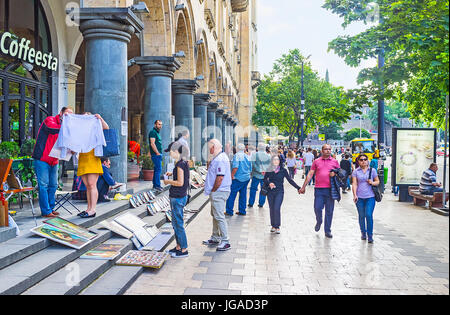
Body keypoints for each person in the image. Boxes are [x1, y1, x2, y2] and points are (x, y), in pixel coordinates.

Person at [33, 106, 74, 218]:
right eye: (66, 114)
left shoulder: (65, 128)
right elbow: (52, 128)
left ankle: (50, 208)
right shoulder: (50, 120)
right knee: (43, 185)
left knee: (54, 185)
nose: (68, 117)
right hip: (42, 159)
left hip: (54, 160)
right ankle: (46, 211)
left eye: (70, 115)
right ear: (60, 113)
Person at [300, 144, 340, 238]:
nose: (328, 151)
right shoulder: (316, 161)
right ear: (322, 150)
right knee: (317, 208)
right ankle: (319, 221)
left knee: (329, 211)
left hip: (331, 189)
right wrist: (303, 186)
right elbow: (310, 174)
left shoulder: (335, 162)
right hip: (319, 189)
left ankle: (327, 230)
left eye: (329, 149)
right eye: (326, 149)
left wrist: (335, 174)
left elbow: (340, 175)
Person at [77, 113, 109, 218]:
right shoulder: (81, 129)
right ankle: (88, 208)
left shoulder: (96, 127)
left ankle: (93, 209)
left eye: (88, 115)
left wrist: (100, 118)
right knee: (87, 186)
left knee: (92, 184)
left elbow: (106, 128)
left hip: (93, 158)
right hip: (83, 158)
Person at [203, 139, 232, 251]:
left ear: (214, 147)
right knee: (215, 214)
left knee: (219, 216)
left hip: (219, 191)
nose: (208, 149)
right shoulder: (218, 158)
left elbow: (220, 177)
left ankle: (225, 241)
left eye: (209, 147)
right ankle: (215, 237)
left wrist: (214, 190)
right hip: (217, 191)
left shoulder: (220, 159)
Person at [163, 141, 190, 258]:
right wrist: (172, 173)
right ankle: (178, 246)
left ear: (175, 151)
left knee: (178, 223)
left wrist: (167, 181)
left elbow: (180, 182)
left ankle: (183, 249)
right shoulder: (183, 163)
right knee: (175, 223)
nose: (170, 154)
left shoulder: (179, 164)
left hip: (178, 197)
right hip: (180, 196)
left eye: (170, 152)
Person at [264, 155, 302, 234]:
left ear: (280, 161)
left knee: (276, 208)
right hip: (270, 192)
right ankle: (273, 226)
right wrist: (269, 183)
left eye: (277, 160)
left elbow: (290, 180)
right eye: (274, 160)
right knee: (272, 208)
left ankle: (277, 226)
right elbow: (264, 179)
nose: (275, 161)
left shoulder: (283, 170)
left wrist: (298, 188)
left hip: (279, 192)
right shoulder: (269, 169)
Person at [352, 154, 380, 243]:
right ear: (358, 161)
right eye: (361, 160)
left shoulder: (372, 170)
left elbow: (378, 181)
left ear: (368, 160)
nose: (363, 161)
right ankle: (363, 233)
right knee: (361, 216)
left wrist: (372, 182)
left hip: (370, 197)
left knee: (368, 215)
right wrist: (355, 195)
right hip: (359, 197)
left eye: (365, 159)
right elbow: (354, 184)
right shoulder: (356, 172)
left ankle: (370, 235)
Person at [226, 143, 252, 216]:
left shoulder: (237, 156)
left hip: (238, 178)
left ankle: (229, 211)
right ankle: (242, 210)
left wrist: (231, 176)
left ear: (237, 149)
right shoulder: (247, 156)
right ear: (244, 149)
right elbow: (250, 168)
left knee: (232, 194)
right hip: (246, 178)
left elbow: (235, 167)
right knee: (243, 195)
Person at [248, 143, 271, 208]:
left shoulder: (255, 154)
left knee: (253, 189)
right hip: (265, 175)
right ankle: (261, 203)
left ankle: (251, 203)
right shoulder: (268, 156)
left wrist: (259, 170)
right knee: (263, 190)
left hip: (256, 174)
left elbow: (253, 164)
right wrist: (264, 171)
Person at [149, 120, 164, 192]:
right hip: (156, 154)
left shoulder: (157, 133)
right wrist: (157, 152)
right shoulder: (153, 132)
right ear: (155, 124)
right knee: (158, 170)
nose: (160, 126)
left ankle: (155, 185)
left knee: (156, 170)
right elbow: (152, 143)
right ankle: (157, 185)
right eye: (159, 124)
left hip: (158, 154)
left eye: (161, 125)